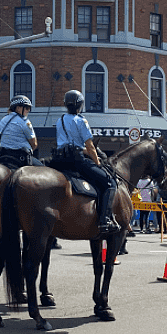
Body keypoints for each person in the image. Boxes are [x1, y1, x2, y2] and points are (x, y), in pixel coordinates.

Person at [54, 89, 120, 236]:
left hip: (60, 160)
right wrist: (97, 163)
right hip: (76, 161)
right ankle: (105, 221)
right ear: (80, 105)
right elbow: (90, 146)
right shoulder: (81, 120)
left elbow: (68, 143)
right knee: (110, 182)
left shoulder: (60, 120)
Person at [0, 95, 42, 168]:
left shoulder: (3, 120)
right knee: (43, 169)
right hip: (21, 158)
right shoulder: (24, 122)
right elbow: (34, 144)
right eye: (27, 108)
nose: (28, 110)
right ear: (18, 108)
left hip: (4, 156)